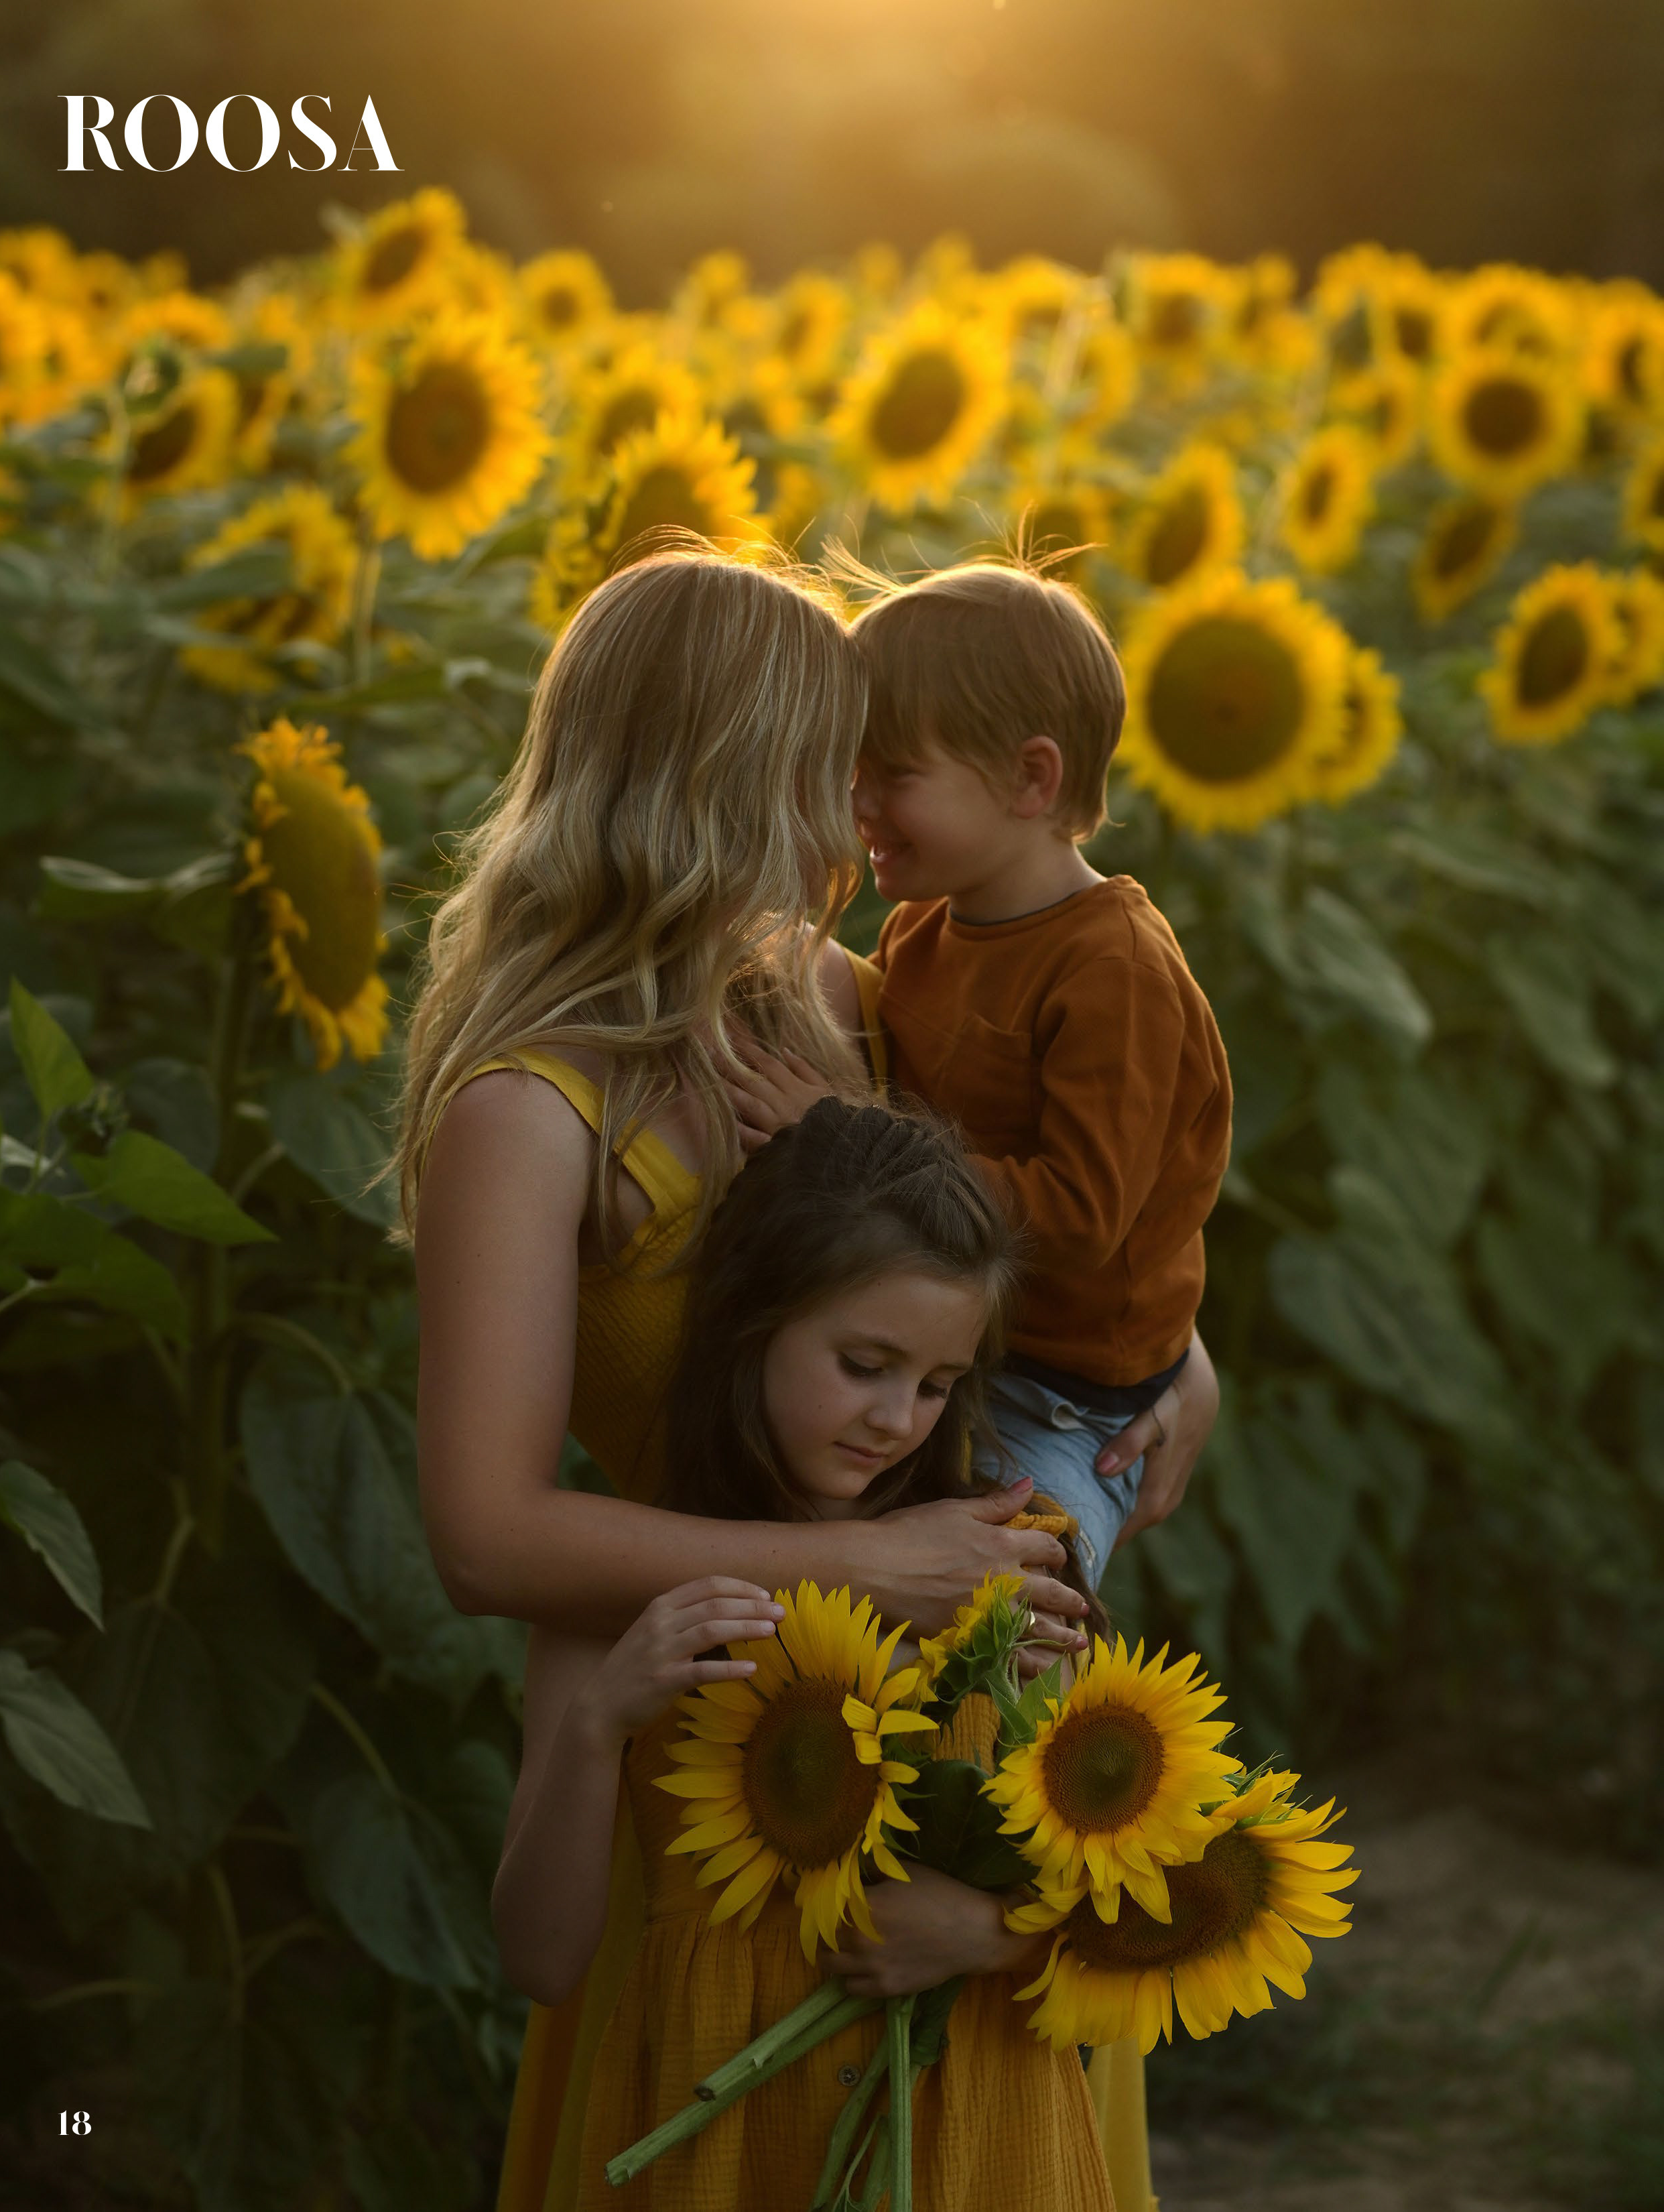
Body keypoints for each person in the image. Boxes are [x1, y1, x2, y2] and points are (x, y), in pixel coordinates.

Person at [402, 546, 1216, 2212]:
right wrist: (871, 1564)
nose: (860, 820)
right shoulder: (529, 1107)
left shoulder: (843, 1003)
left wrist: (1179, 1353)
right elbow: (485, 1539)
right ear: (715, 778)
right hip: (716, 1774)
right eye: (825, 768)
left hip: (952, 1756)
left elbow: (1032, 1213)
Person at [493, 1098, 1116, 2211]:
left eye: (934, 1385)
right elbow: (540, 1962)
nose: (895, 1419)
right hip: (714, 2151)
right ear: (749, 1325)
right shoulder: (618, 1599)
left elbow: (1144, 1910)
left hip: (976, 2149)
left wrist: (987, 1933)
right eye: (863, 1362)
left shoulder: (1007, 1575)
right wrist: (600, 1728)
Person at [726, 558, 1232, 1597]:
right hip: (941, 1354)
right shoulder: (924, 927)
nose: (855, 802)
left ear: (1030, 780)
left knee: (1004, 1616)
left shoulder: (1113, 971)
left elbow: (1083, 1216)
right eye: (850, 770)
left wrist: (841, 1133)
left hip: (1062, 1400)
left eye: (893, 774)